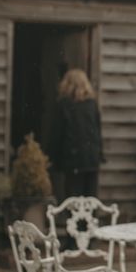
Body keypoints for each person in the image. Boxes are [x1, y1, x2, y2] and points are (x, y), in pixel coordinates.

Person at [48, 68, 104, 197]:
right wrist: (99, 154)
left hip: (73, 159)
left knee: (73, 198)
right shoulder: (92, 104)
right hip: (91, 159)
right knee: (90, 198)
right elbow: (97, 131)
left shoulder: (63, 104)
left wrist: (51, 157)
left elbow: (57, 133)